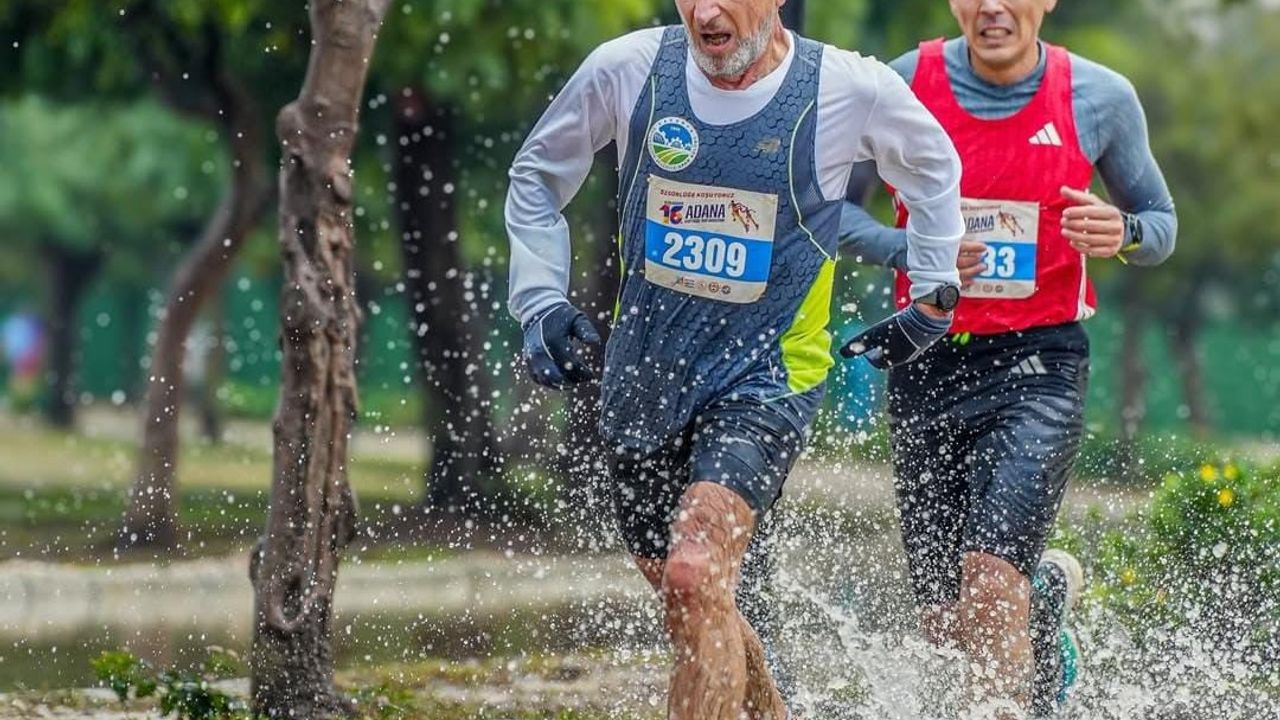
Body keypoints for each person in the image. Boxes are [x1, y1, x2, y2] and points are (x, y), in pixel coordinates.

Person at [505, 0, 968, 716]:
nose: (707, 11)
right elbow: (536, 177)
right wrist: (540, 301)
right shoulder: (629, 70)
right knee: (694, 596)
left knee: (695, 574)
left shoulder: (847, 88)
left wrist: (934, 296)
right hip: (645, 380)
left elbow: (934, 166)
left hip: (768, 377)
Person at [839, 0, 1177, 716]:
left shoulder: (1100, 97)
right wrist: (912, 248)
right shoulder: (901, 84)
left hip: (1039, 364)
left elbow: (1162, 226)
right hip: (925, 357)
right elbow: (834, 210)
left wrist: (1124, 230)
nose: (993, 7)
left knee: (991, 585)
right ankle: (1045, 606)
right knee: (947, 623)